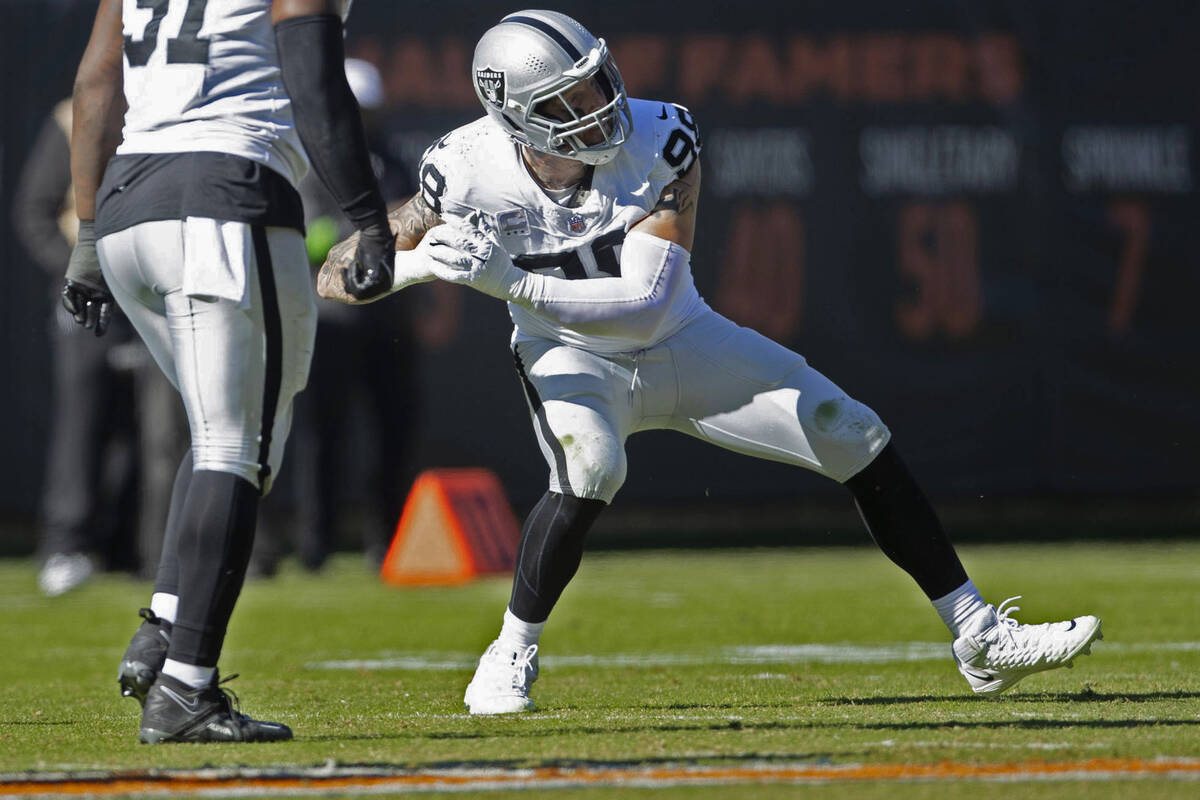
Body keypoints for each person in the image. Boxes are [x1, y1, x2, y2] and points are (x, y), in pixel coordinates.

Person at [319, 10, 1102, 715]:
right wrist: (405, 263)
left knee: (851, 430)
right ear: (515, 116)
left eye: (598, 83)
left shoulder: (665, 138)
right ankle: (511, 649)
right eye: (571, 100)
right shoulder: (460, 169)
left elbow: (649, 303)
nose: (600, 107)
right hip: (567, 354)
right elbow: (349, 271)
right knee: (590, 469)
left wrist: (508, 280)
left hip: (678, 336)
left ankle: (977, 636)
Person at [68, 0, 396, 743]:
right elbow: (314, 74)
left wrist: (87, 232)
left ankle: (167, 623)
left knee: (229, 434)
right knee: (236, 447)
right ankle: (186, 685)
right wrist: (368, 218)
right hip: (224, 193)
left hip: (128, 207)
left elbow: (95, 82)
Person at [13, 98, 140, 596]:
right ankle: (66, 543)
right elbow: (34, 212)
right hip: (85, 290)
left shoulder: (166, 105)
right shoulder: (71, 118)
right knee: (82, 419)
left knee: (147, 423)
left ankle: (129, 544)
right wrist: (76, 272)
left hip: (145, 284)